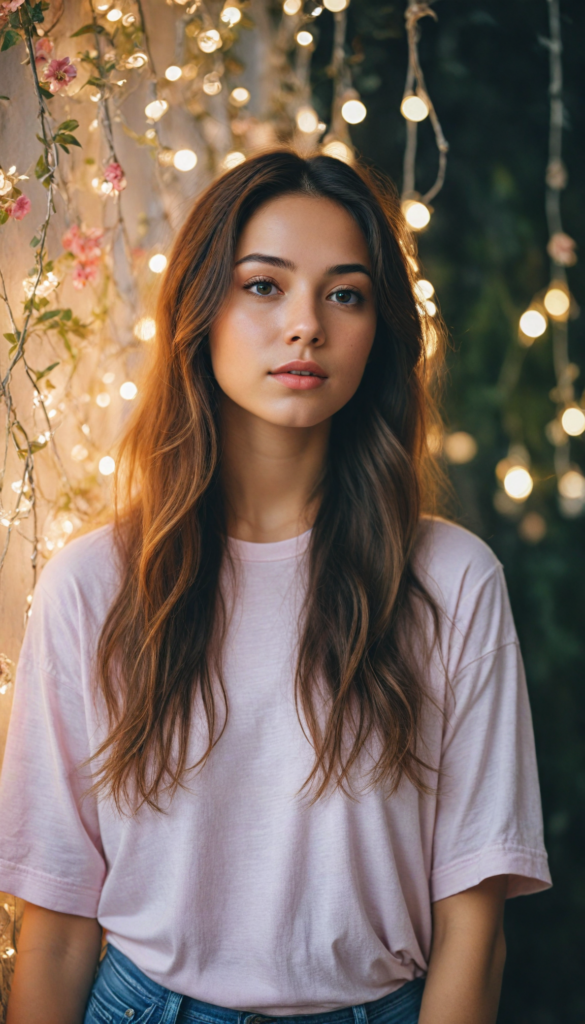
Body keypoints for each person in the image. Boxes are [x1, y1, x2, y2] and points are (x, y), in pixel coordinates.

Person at [0, 151, 551, 1024]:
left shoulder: (450, 580)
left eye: (345, 293)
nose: (305, 326)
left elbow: (472, 930)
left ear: (379, 330)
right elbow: (58, 928)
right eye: (263, 286)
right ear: (198, 308)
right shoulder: (93, 586)